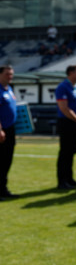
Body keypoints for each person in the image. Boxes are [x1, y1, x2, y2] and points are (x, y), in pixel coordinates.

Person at [55, 64, 76, 190]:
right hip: (67, 123)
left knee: (71, 152)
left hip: (75, 123)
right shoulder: (63, 87)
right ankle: (62, 181)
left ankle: (69, 179)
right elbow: (64, 108)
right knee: (65, 153)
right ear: (70, 73)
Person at [0, 65, 18, 200]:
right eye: (7, 74)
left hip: (10, 129)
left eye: (11, 74)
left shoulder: (10, 89)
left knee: (7, 160)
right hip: (2, 130)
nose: (10, 76)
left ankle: (3, 189)